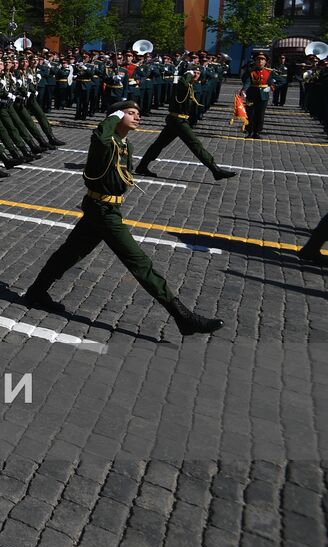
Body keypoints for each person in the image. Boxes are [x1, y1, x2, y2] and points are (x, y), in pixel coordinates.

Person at [22, 100, 223, 337]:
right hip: (103, 211)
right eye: (130, 113)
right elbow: (99, 137)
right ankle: (183, 316)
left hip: (106, 209)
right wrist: (114, 116)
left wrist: (119, 118)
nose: (137, 117)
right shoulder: (105, 143)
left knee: (70, 252)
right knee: (139, 262)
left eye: (138, 113)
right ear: (116, 117)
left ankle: (36, 292)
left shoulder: (125, 144)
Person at [134, 67, 235, 181]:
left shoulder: (190, 86)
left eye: (198, 73)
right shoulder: (181, 85)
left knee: (159, 144)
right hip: (178, 121)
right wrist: (188, 74)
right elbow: (183, 82)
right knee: (195, 144)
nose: (196, 75)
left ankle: (142, 166)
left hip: (177, 120)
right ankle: (216, 170)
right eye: (194, 73)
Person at [241, 52, 272, 138]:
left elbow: (280, 81)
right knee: (250, 114)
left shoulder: (269, 72)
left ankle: (257, 132)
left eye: (262, 60)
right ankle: (249, 131)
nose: (260, 61)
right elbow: (247, 82)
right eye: (258, 59)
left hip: (263, 96)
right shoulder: (250, 71)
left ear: (265, 62)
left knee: (260, 115)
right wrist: (244, 90)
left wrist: (270, 88)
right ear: (255, 61)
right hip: (251, 95)